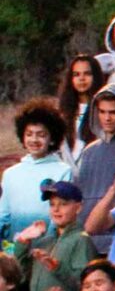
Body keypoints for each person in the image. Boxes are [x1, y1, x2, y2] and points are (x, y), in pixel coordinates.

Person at [13, 181, 92, 291]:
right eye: (52, 204)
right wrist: (23, 241)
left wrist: (56, 267)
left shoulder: (81, 240)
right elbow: (21, 275)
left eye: (63, 204)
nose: (56, 209)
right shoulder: (44, 242)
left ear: (78, 208)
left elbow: (84, 285)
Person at [75, 86, 115, 256]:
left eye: (114, 112)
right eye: (102, 112)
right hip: (86, 241)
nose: (107, 118)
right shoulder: (89, 151)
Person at [0, 100, 72, 242]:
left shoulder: (63, 171)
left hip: (47, 249)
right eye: (29, 134)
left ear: (52, 139)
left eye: (41, 135)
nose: (34, 139)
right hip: (14, 248)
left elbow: (63, 214)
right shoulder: (10, 174)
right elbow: (3, 214)